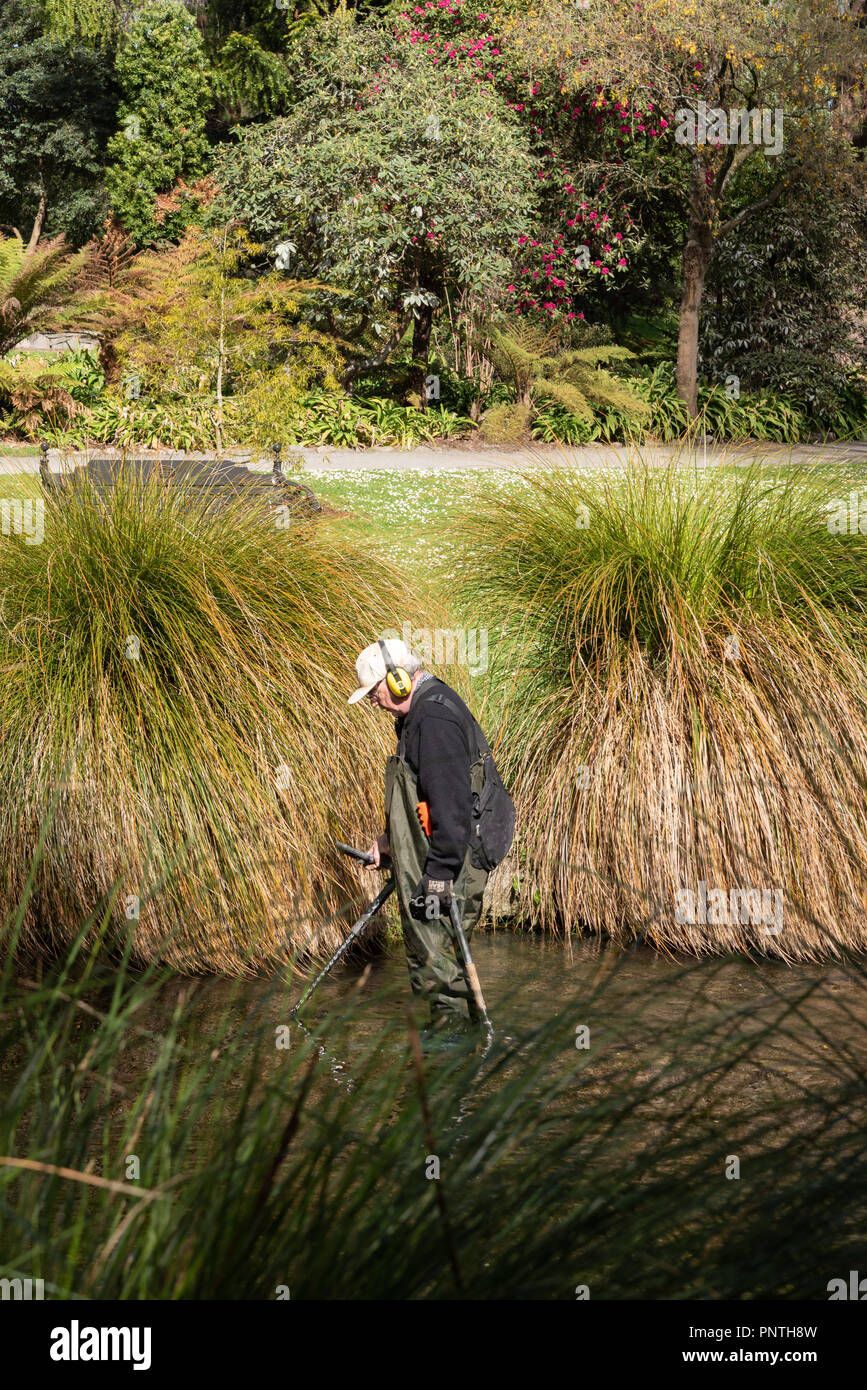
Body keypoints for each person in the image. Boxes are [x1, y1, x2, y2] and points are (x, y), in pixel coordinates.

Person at [348, 637, 489, 1033]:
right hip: (443, 849)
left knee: (437, 959)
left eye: (374, 693)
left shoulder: (433, 720)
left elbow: (452, 807)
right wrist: (392, 841)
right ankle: (457, 1037)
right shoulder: (417, 716)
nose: (373, 702)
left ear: (397, 681)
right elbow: (423, 798)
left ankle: (449, 1056)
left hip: (456, 856)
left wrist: (439, 876)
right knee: (440, 958)